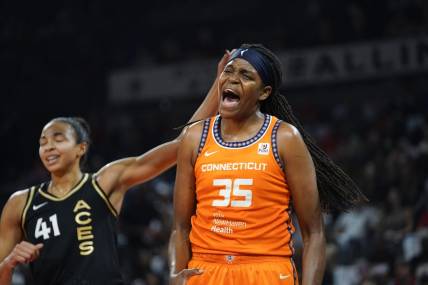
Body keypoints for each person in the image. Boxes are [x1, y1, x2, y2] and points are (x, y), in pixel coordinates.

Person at [0, 52, 231, 285]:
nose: (48, 147)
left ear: (81, 148)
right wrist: (8, 265)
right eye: (43, 142)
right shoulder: (20, 203)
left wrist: (218, 84)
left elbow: (181, 144)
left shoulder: (105, 182)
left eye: (58, 139)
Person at [170, 44, 367, 285]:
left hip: (266, 270)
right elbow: (180, 227)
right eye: (228, 72)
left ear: (263, 93)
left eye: (245, 75)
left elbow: (313, 232)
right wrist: (177, 277)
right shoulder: (195, 137)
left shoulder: (284, 138)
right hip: (206, 271)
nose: (232, 79)